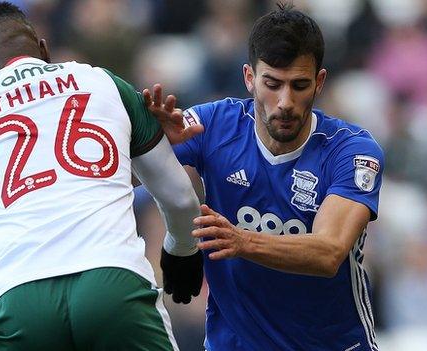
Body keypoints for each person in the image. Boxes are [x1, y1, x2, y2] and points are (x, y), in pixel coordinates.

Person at [0, 3, 203, 350]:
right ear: (43, 49)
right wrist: (181, 249)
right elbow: (179, 197)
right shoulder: (104, 83)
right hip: (112, 282)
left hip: (19, 300)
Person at [146, 4, 384, 350]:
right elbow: (125, 172)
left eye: (299, 85)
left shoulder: (352, 151)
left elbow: (328, 252)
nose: (285, 102)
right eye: (272, 83)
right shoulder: (212, 125)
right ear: (249, 78)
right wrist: (150, 140)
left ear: (319, 82)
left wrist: (242, 242)